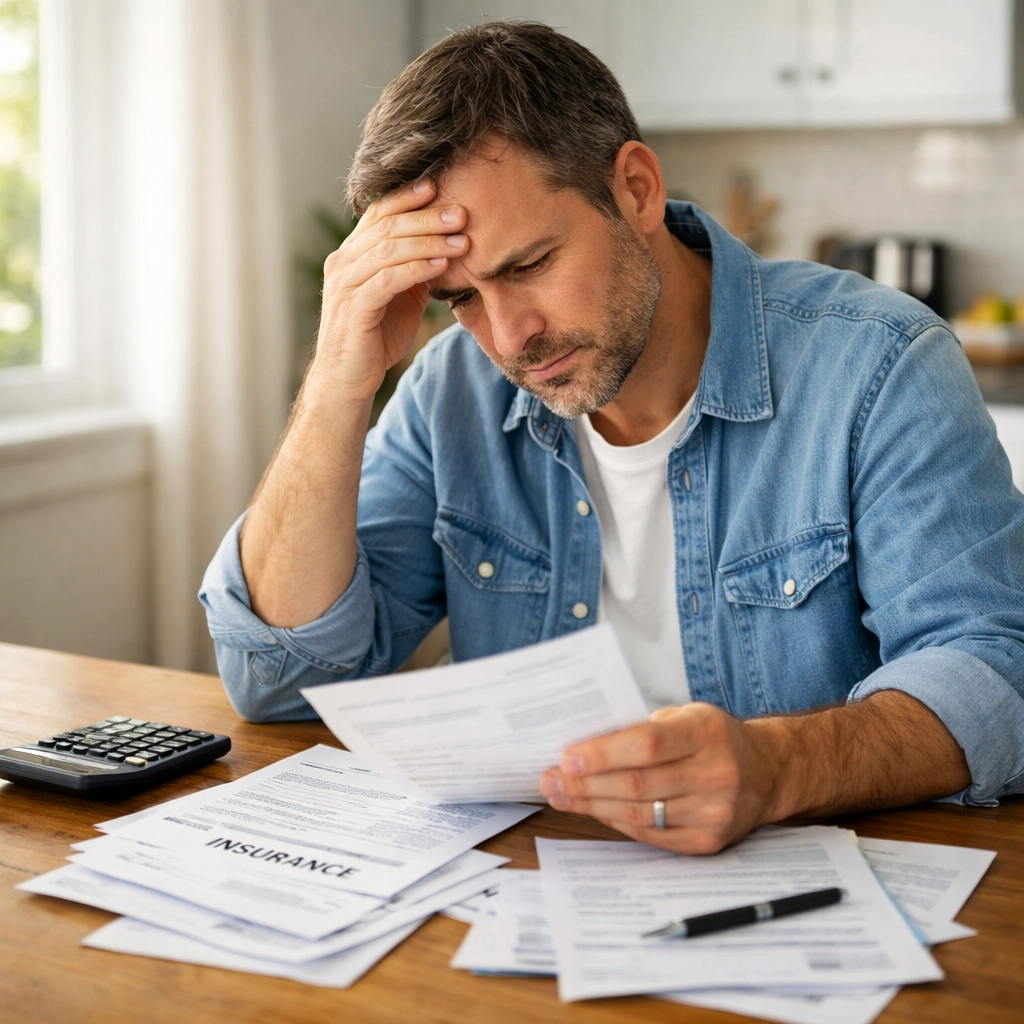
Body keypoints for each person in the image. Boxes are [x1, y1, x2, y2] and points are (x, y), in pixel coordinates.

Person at [200, 22, 1024, 855]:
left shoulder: (878, 367)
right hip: (529, 889)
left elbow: (996, 669)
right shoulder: (453, 388)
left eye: (528, 265)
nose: (510, 335)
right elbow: (282, 679)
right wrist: (339, 381)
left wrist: (779, 766)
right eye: (462, 297)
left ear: (635, 189)